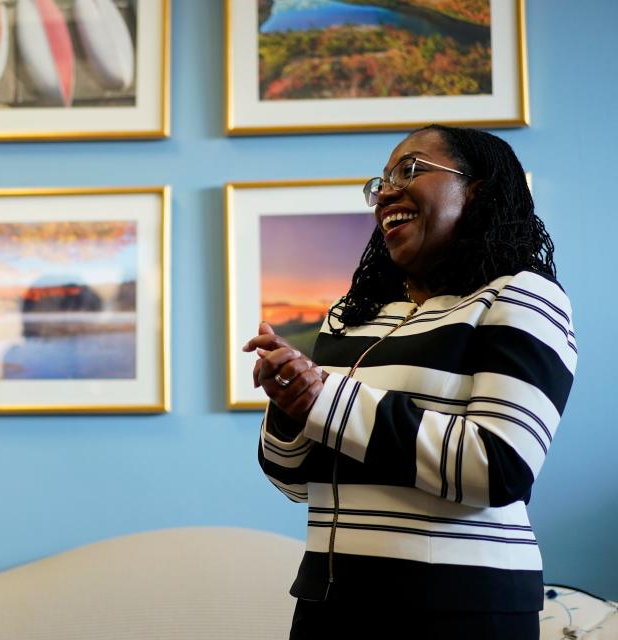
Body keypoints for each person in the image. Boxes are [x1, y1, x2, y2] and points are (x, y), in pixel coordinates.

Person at [243, 125, 576, 639]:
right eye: (381, 182)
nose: (387, 191)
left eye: (412, 170)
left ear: (478, 187)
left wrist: (323, 397)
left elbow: (499, 467)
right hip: (329, 606)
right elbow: (294, 482)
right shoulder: (348, 317)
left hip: (462, 612)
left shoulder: (520, 297)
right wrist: (290, 402)